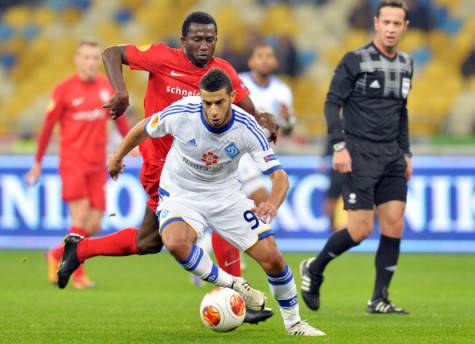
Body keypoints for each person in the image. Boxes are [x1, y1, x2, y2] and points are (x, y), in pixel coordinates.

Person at [57, 11, 277, 323]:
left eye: (210, 39)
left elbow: (247, 110)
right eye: (197, 39)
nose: (204, 45)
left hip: (199, 167)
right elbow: (112, 53)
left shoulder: (222, 72)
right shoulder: (162, 57)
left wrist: (265, 120)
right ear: (183, 40)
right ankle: (237, 294)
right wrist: (121, 91)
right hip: (162, 169)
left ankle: (79, 250)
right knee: (214, 218)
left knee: (148, 242)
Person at [107, 68, 324, 336]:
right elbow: (143, 128)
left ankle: (294, 324)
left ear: (232, 96)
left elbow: (279, 177)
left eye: (219, 102)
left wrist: (271, 203)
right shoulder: (182, 113)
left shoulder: (248, 128)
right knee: (175, 242)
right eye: (207, 103)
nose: (213, 111)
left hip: (225, 196)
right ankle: (234, 284)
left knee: (273, 259)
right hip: (181, 193)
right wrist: (118, 156)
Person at [300, 0, 413, 314]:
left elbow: (401, 112)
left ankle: (380, 298)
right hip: (359, 153)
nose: (391, 28)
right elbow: (331, 103)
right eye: (386, 22)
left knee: (394, 224)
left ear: (405, 27)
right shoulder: (355, 60)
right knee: (361, 230)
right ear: (376, 23)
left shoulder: (406, 63)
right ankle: (315, 267)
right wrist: (338, 145)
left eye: (397, 23)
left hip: (392, 155)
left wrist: (406, 153)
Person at [26, 40, 131, 289]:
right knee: (81, 217)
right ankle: (77, 274)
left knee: (94, 224)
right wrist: (37, 163)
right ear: (77, 59)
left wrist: (131, 144)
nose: (91, 62)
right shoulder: (64, 89)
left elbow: (119, 120)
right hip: (72, 162)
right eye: (86, 57)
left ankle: (55, 254)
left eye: (95, 58)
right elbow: (47, 127)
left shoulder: (106, 88)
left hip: (98, 165)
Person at [238, 42, 296, 205]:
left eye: (269, 56)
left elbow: (289, 129)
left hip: (263, 154)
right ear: (251, 62)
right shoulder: (239, 82)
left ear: (275, 62)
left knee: (250, 209)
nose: (264, 60)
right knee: (263, 199)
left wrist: (286, 121)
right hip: (240, 152)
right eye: (260, 56)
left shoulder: (282, 90)